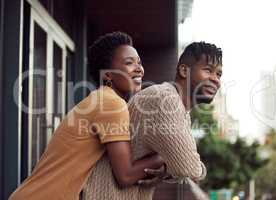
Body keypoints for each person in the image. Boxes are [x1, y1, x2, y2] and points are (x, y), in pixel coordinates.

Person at [9, 32, 165, 200]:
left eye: (139, 63)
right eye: (129, 63)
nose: (139, 69)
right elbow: (125, 175)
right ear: (107, 74)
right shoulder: (111, 103)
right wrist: (165, 155)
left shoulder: (103, 100)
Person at [82, 41, 223, 199]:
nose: (215, 79)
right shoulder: (165, 99)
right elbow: (189, 169)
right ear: (184, 70)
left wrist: (167, 164)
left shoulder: (177, 107)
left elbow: (181, 163)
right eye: (208, 70)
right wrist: (167, 160)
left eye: (218, 74)